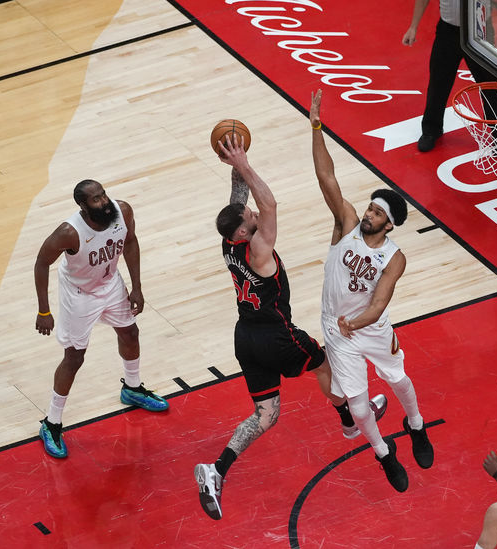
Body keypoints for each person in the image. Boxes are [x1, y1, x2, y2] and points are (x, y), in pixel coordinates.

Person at [194, 134, 387, 521]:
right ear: (245, 233)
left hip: (245, 337)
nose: (254, 213)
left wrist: (235, 160)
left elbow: (239, 201)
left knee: (266, 415)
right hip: (277, 336)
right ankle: (351, 420)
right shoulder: (258, 248)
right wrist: (245, 164)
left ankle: (216, 470)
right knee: (325, 365)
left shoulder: (229, 242)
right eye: (249, 217)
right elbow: (269, 205)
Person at [309, 89, 434, 493]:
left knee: (399, 379)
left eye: (377, 212)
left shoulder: (395, 258)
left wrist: (356, 323)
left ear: (389, 224)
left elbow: (379, 305)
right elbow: (327, 178)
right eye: (370, 207)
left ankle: (416, 425)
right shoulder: (346, 224)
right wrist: (316, 127)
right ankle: (383, 453)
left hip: (369, 326)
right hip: (337, 328)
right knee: (359, 405)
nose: (368, 213)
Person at [34, 179, 169, 459]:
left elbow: (130, 243)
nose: (104, 202)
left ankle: (132, 388)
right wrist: (44, 310)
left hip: (109, 283)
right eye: (96, 199)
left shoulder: (122, 212)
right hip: (79, 294)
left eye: (103, 195)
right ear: (83, 206)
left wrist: (137, 287)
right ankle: (51, 423)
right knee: (74, 357)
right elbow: (41, 262)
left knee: (130, 333)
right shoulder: (69, 232)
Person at [403, 0, 497, 152]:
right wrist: (413, 27)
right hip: (448, 31)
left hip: (480, 31)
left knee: (491, 84)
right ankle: (431, 130)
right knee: (438, 82)